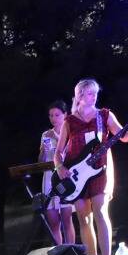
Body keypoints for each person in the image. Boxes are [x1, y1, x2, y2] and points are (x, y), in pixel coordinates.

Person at [62, 79, 128, 255]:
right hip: (78, 175)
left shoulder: (104, 115)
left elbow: (123, 136)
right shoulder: (70, 121)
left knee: (100, 212)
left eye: (95, 93)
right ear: (80, 96)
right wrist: (60, 167)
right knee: (84, 218)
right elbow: (59, 152)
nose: (94, 97)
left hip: (100, 170)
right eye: (89, 93)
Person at [39, 100, 78, 247]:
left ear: (64, 115)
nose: (53, 118)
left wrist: (58, 139)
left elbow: (72, 154)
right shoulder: (46, 135)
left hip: (64, 176)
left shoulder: (70, 132)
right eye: (51, 115)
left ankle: (71, 251)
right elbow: (41, 160)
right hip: (49, 178)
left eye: (57, 115)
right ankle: (59, 254)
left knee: (67, 219)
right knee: (53, 221)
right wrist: (43, 149)